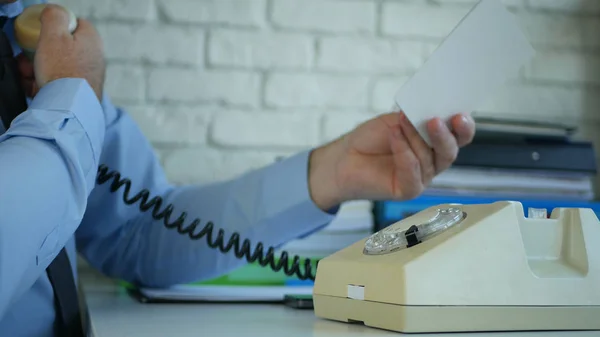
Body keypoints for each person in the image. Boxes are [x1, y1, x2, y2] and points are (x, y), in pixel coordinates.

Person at [0, 1, 476, 337]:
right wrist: (68, 102)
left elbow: (136, 231)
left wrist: (331, 175)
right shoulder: (62, 86)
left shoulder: (17, 37)